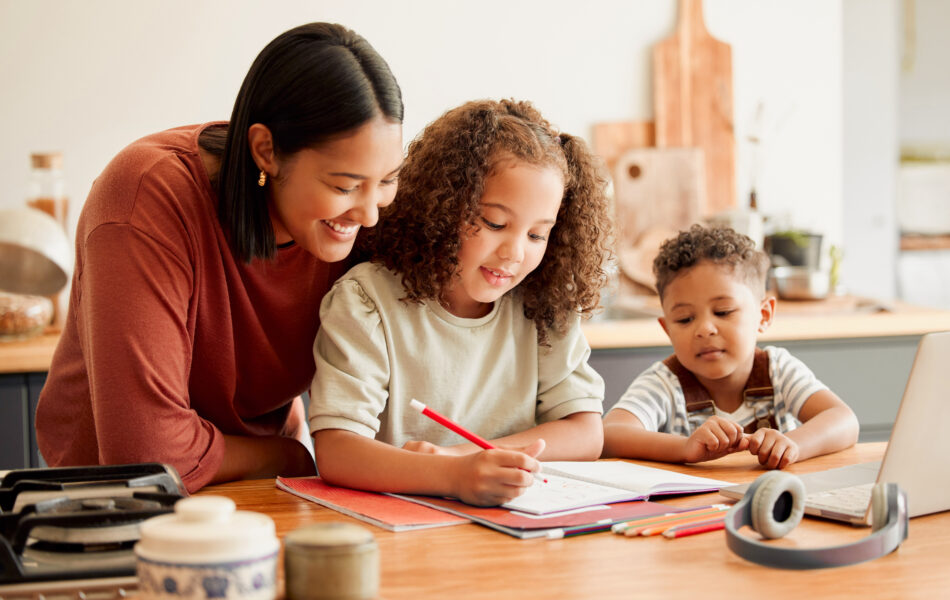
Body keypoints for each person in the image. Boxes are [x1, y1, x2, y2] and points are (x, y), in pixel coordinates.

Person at [34, 23, 405, 493]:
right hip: (110, 502)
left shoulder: (356, 216)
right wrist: (292, 454)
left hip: (263, 484)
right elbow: (146, 455)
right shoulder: (145, 196)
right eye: (344, 186)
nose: (370, 214)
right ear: (266, 151)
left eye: (388, 180)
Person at [309, 99, 612, 506]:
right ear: (444, 206)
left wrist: (464, 458)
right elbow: (337, 451)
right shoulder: (367, 300)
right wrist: (452, 476)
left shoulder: (543, 306)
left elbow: (585, 432)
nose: (514, 253)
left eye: (537, 235)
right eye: (494, 223)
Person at [602, 225, 859, 468]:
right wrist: (685, 448)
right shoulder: (664, 383)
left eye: (723, 312)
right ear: (667, 329)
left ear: (764, 315)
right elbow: (610, 435)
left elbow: (844, 420)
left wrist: (794, 444)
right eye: (685, 319)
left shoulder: (778, 370)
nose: (705, 329)